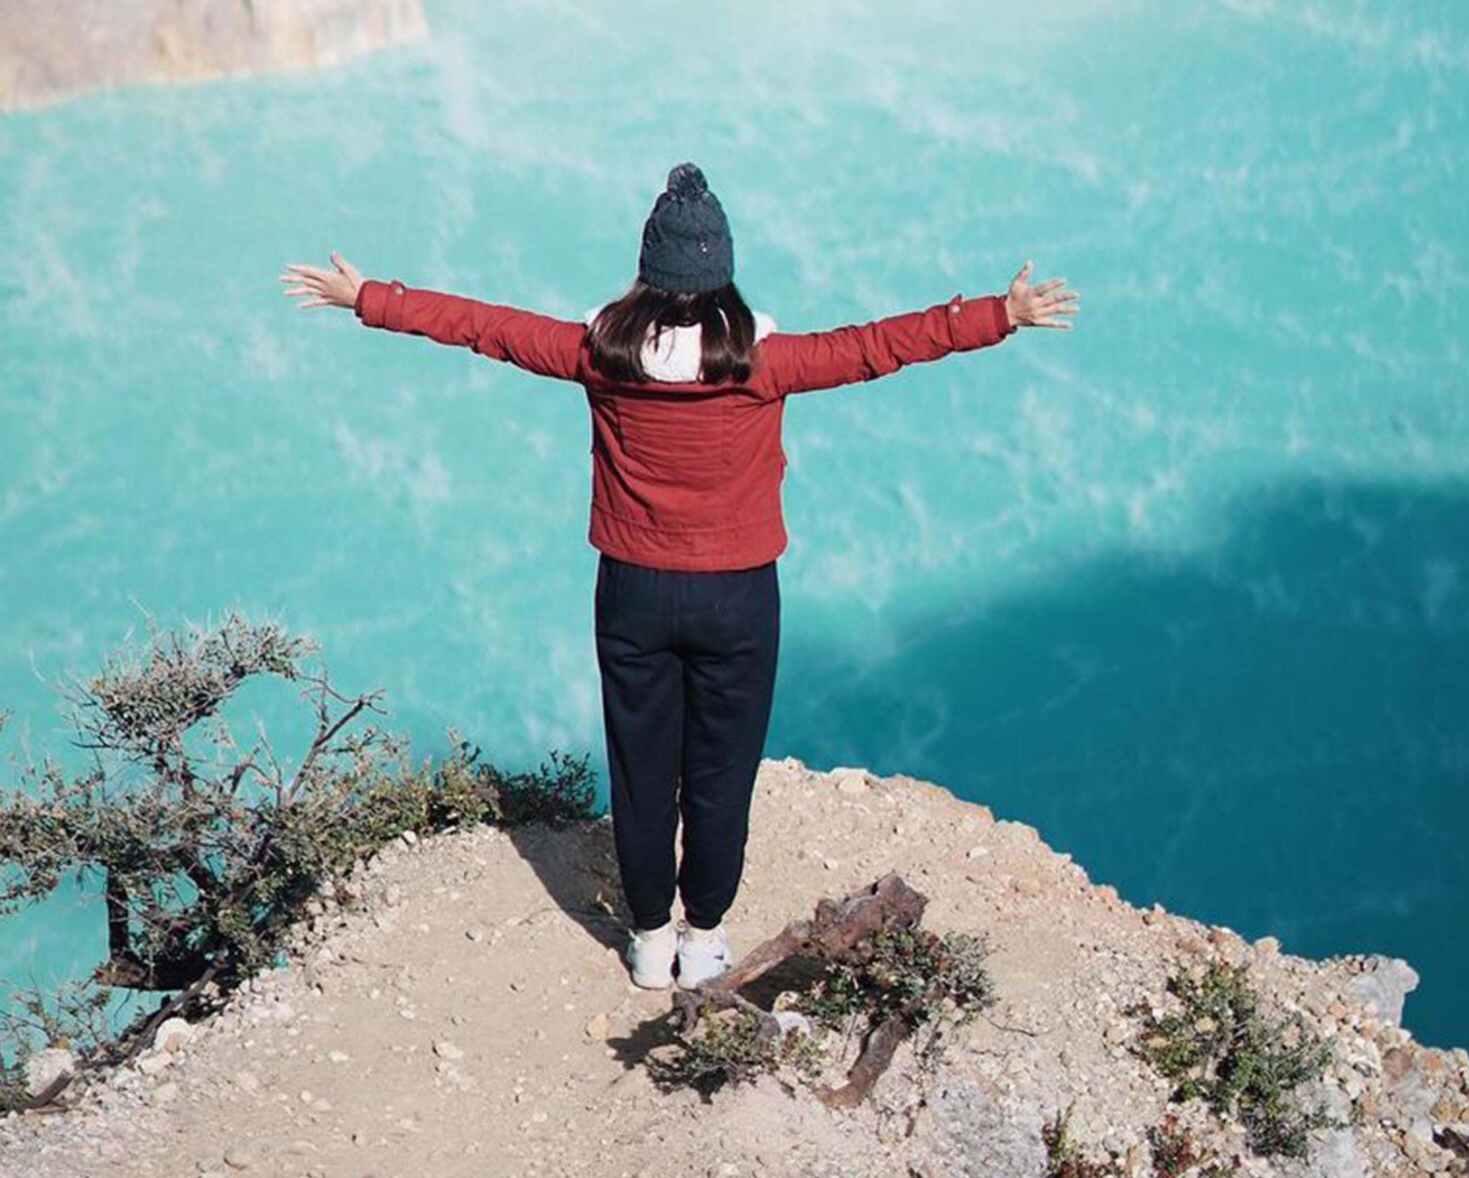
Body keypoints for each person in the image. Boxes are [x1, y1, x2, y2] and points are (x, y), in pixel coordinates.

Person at [282, 163, 1077, 991]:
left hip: (632, 588)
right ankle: (703, 939)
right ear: (720, 271)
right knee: (720, 772)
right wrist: (1000, 314)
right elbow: (881, 346)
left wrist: (370, 296)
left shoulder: (598, 354)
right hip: (736, 594)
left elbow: (486, 327)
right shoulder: (767, 362)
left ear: (648, 271)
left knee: (640, 767)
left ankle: (650, 940)